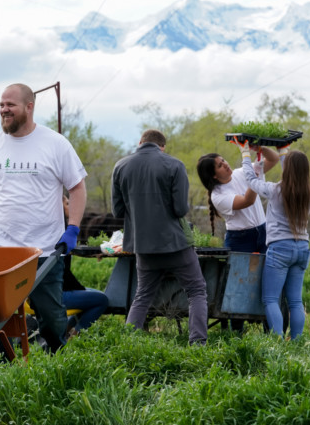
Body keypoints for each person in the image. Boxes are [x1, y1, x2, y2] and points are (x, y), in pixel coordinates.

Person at [0, 83, 88, 353]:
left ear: (29, 107)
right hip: (0, 251)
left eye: (10, 105)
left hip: (43, 250)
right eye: (1, 105)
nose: (4, 110)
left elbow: (77, 188)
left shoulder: (55, 144)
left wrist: (73, 229)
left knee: (52, 318)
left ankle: (55, 360)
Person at [111, 129, 208, 345]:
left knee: (143, 295)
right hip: (175, 244)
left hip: (142, 246)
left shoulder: (120, 166)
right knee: (196, 290)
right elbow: (180, 209)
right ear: (162, 147)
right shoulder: (175, 165)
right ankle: (198, 344)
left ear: (140, 142)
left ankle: (129, 343)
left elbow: (117, 211)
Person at [233, 138, 310, 339]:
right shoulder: (308, 193)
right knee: (295, 301)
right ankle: (297, 342)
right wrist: (283, 152)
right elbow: (293, 174)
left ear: (287, 170)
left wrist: (245, 154)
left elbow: (251, 180)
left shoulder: (275, 190)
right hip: (302, 248)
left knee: (270, 299)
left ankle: (277, 342)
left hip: (280, 248)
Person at [197, 145, 279, 331]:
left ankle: (271, 332)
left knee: (269, 281)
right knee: (238, 286)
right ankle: (236, 334)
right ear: (214, 176)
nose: (225, 164)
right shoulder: (218, 196)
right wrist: (251, 170)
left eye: (223, 160)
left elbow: (273, 159)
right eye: (220, 165)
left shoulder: (242, 173)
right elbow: (247, 200)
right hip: (240, 238)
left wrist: (260, 148)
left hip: (263, 231)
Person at [60, 195, 108, 336]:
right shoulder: (63, 234)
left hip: (48, 291)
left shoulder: (54, 232)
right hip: (58, 293)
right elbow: (63, 272)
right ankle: (75, 336)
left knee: (96, 294)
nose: (71, 206)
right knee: (101, 300)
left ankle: (65, 332)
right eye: (67, 204)